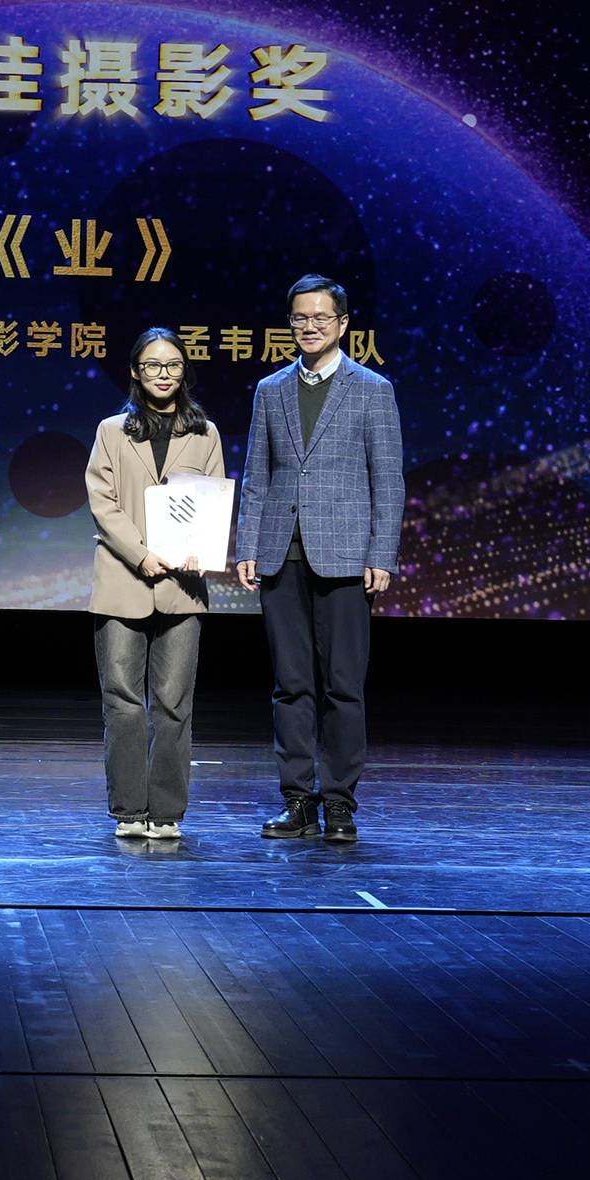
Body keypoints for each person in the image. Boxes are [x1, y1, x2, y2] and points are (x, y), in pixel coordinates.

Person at [231, 274, 402, 843]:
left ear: (343, 323)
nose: (309, 326)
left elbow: (388, 479)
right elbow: (257, 475)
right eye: (300, 318)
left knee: (343, 687)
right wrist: (248, 546)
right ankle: (298, 801)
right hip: (282, 554)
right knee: (291, 685)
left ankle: (340, 804)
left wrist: (382, 554)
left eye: (320, 317)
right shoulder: (271, 389)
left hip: (347, 556)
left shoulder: (372, 389)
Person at [84, 327, 223, 841]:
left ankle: (166, 812)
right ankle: (129, 808)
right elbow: (103, 503)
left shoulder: (205, 433)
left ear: (184, 371)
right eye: (152, 365)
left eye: (172, 365)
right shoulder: (111, 431)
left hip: (183, 587)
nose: (163, 374)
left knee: (174, 703)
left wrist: (203, 547)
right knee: (122, 700)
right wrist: (141, 555)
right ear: (135, 372)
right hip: (123, 579)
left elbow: (210, 501)